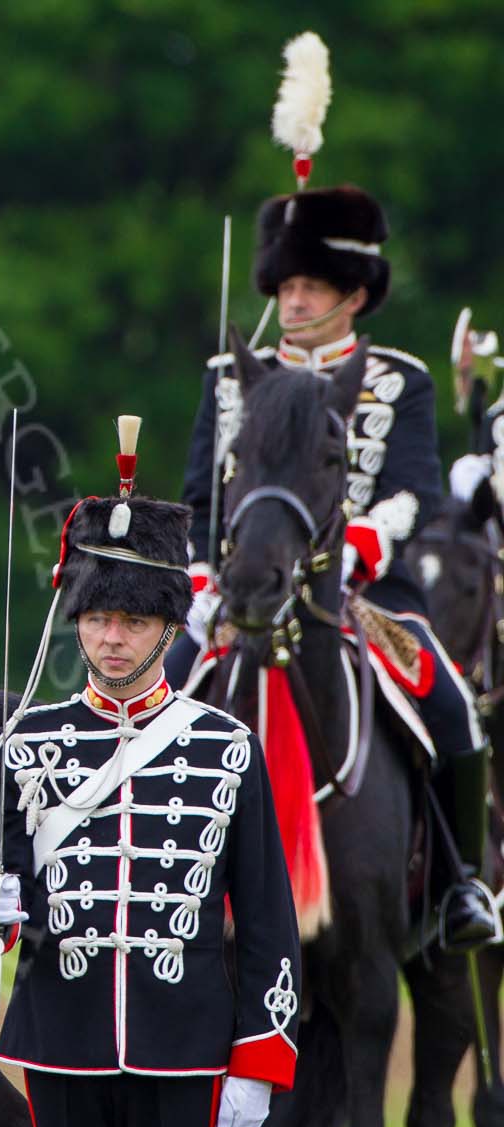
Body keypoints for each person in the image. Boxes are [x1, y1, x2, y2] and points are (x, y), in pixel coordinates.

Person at [0, 476, 301, 1127]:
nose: (111, 639)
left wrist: (259, 1057)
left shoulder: (222, 745)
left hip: (183, 1040)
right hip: (64, 1035)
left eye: (133, 622)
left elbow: (266, 914)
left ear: (166, 627)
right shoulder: (30, 742)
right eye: (96, 619)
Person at [175, 181, 499, 949]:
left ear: (352, 295)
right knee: (146, 697)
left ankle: (462, 885)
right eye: (284, 285)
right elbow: (196, 497)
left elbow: (414, 491)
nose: (291, 302)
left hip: (361, 592)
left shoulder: (400, 379)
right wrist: (196, 576)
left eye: (309, 286)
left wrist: (357, 546)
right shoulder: (229, 376)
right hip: (240, 590)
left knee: (451, 706)